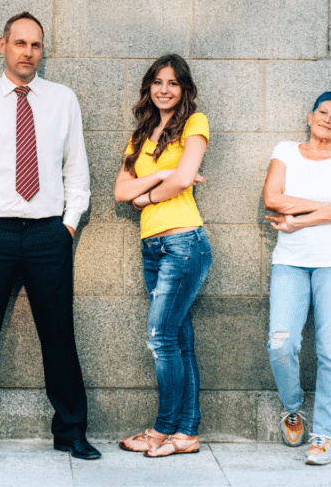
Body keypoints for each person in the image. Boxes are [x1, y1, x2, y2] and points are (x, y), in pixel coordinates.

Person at [0, 12, 97, 463]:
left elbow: (77, 168)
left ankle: (70, 431)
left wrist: (69, 223)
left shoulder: (62, 99)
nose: (28, 52)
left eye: (35, 45)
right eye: (19, 43)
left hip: (49, 234)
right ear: (2, 46)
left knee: (59, 334)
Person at [261, 92, 331, 465]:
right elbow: (273, 198)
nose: (327, 119)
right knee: (280, 343)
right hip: (291, 260)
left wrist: (300, 220)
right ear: (310, 116)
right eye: (322, 112)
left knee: (330, 348)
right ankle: (292, 408)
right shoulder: (286, 150)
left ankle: (324, 435)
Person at [113, 54, 212, 458]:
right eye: (157, 81)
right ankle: (187, 433)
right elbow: (121, 191)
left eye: (172, 82)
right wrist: (156, 177)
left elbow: (185, 177)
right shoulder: (140, 134)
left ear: (184, 88)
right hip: (152, 246)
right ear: (148, 87)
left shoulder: (195, 122)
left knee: (159, 338)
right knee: (178, 339)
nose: (164, 89)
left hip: (184, 243)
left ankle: (163, 428)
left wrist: (146, 194)